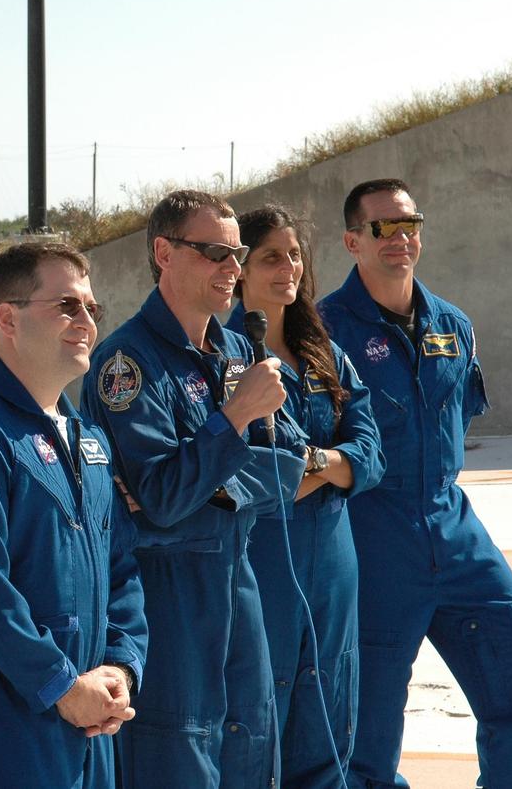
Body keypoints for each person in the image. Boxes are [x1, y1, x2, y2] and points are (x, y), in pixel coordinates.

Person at [320, 179, 512, 788]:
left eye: (410, 223)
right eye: (383, 227)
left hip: (454, 531)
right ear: (353, 240)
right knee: (365, 733)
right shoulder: (322, 334)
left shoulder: (453, 323)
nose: (400, 238)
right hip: (371, 538)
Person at [81, 189, 307, 788]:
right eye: (215, 253)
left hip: (238, 571)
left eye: (237, 254)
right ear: (165, 252)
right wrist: (233, 424)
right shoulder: (126, 364)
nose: (233, 269)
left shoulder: (238, 349)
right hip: (169, 588)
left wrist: (208, 476)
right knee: (179, 749)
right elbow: (160, 500)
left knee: (252, 743)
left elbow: (290, 464)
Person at [0, 243, 149, 789]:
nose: (86, 322)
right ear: (7, 318)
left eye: (91, 309)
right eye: (66, 306)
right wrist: (59, 685)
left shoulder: (90, 442)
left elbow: (122, 570)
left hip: (91, 725)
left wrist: (121, 669)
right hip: (9, 724)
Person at [226, 205, 384, 786]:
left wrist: (314, 463)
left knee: (329, 705)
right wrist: (326, 466)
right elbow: (244, 471)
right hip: (261, 559)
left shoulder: (324, 355)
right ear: (238, 269)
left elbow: (371, 450)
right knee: (256, 716)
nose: (289, 267)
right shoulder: (222, 359)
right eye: (271, 256)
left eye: (295, 255)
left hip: (333, 562)